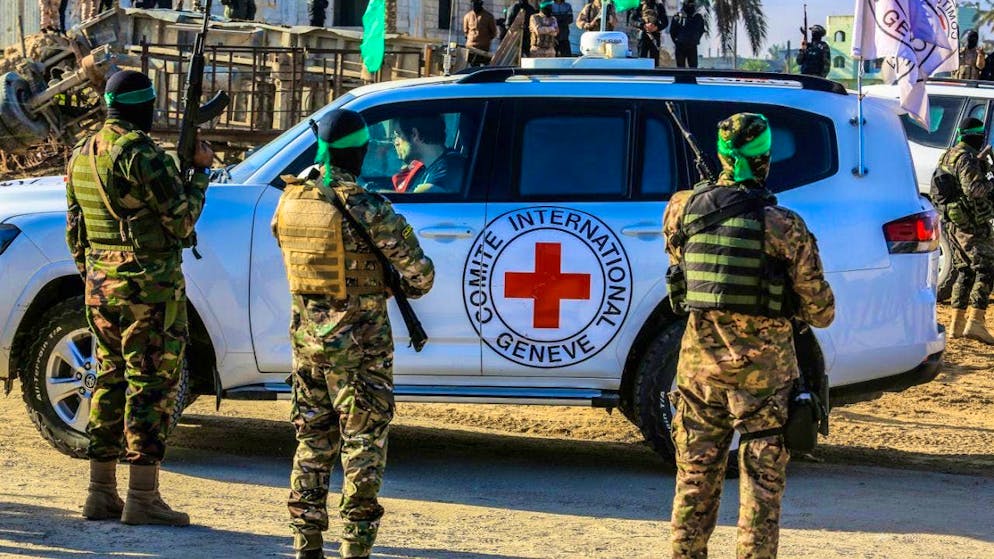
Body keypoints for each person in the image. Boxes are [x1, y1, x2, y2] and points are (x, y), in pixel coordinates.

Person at [663, 113, 835, 559]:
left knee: (694, 481)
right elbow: (822, 311)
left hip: (699, 373)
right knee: (761, 490)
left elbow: (680, 265)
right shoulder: (785, 225)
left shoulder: (683, 208)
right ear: (766, 160)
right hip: (765, 380)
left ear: (720, 157)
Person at [273, 109, 435, 559]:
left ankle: (305, 540)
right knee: (362, 439)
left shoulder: (292, 200)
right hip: (361, 348)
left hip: (307, 342)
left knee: (312, 438)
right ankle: (356, 544)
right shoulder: (367, 205)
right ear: (361, 151)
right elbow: (420, 276)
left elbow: (283, 246)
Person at [65, 69, 213, 526]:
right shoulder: (142, 154)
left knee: (107, 381)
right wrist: (201, 172)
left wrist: (99, 273)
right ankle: (143, 498)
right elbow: (182, 222)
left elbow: (77, 233)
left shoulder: (81, 154)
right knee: (150, 385)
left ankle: (99, 492)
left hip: (99, 285)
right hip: (149, 288)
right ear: (144, 107)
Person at [934, 117, 994, 343]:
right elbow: (974, 190)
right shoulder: (966, 158)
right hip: (970, 224)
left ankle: (957, 326)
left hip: (952, 222)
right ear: (975, 136)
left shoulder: (949, 154)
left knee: (965, 271)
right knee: (986, 269)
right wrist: (991, 182)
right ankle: (975, 324)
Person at [390, 115, 466, 194]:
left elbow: (415, 202)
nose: (396, 142)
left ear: (414, 134)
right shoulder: (430, 167)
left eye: (398, 135)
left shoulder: (449, 169)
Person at [669, 0, 705, 68]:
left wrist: (695, 39)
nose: (690, 5)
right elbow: (672, 31)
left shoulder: (698, 17)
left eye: (691, 4)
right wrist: (677, 41)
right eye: (689, 3)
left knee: (693, 67)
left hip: (692, 45)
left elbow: (701, 30)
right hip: (681, 45)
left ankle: (691, 78)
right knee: (680, 68)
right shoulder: (677, 16)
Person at [464, 0, 498, 67]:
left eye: (476, 4)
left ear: (481, 4)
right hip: (470, 48)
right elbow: (465, 31)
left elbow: (494, 33)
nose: (474, 6)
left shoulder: (489, 17)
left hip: (483, 49)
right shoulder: (467, 16)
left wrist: (485, 40)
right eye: (473, 4)